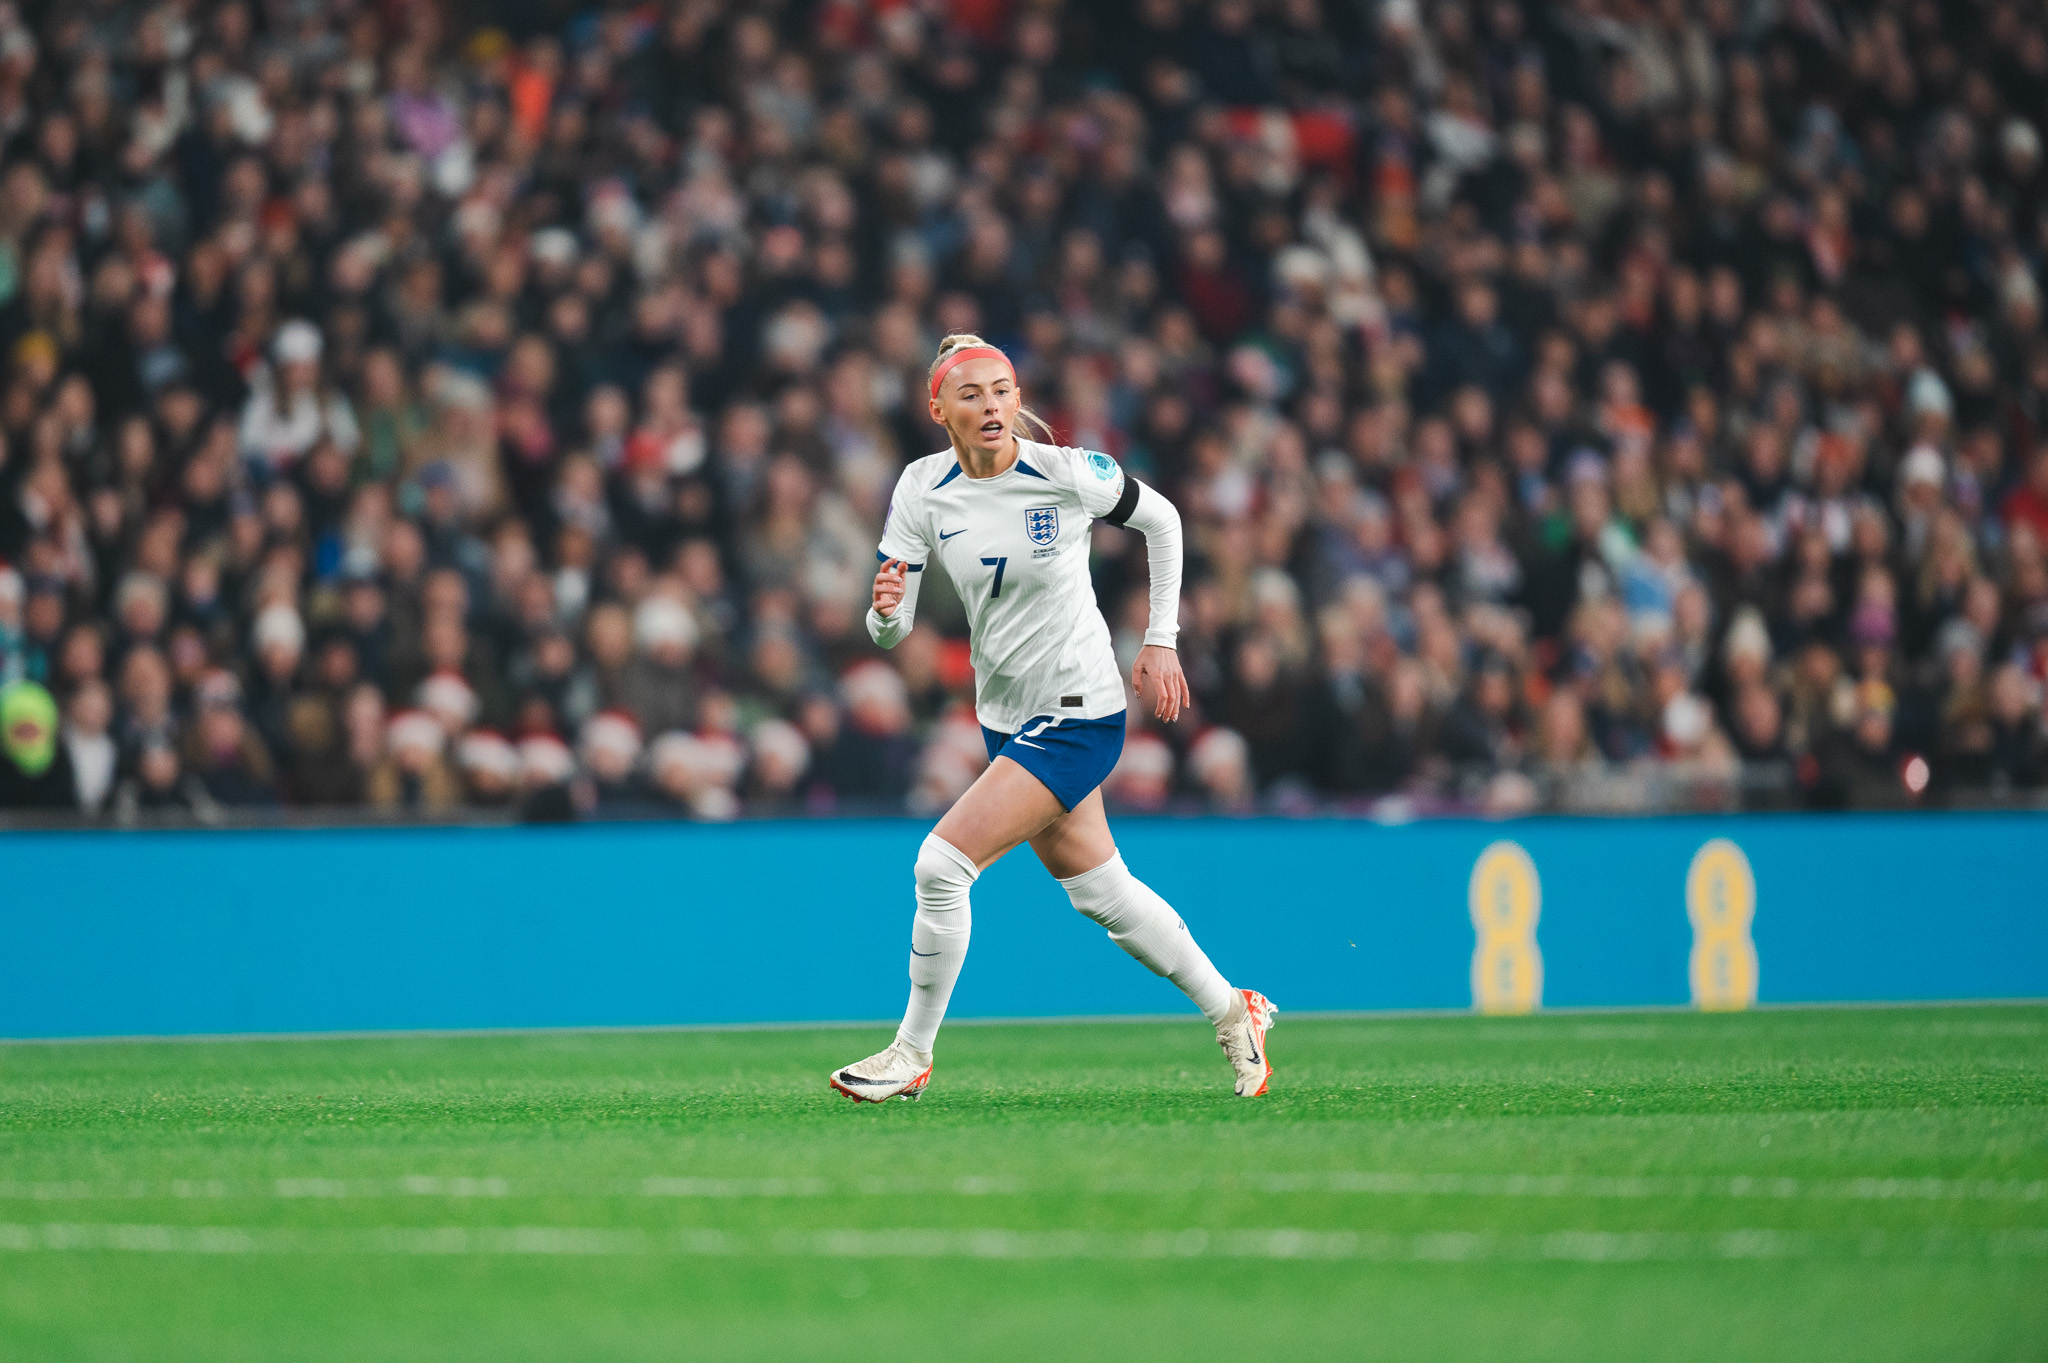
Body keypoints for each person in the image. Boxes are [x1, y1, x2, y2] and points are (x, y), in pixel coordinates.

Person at [828, 335, 1275, 1103]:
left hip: (1079, 712)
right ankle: (1236, 1010)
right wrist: (885, 615)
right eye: (970, 393)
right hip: (1005, 715)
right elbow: (889, 631)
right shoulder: (921, 488)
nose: (991, 405)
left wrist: (1161, 639)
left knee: (940, 866)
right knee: (1102, 891)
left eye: (1002, 389)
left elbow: (1164, 520)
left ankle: (910, 1054)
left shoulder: (1066, 471)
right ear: (938, 409)